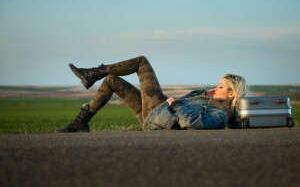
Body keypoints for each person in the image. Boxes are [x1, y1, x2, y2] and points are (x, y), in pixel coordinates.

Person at [55, 56, 248, 132]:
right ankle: (81, 121)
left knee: (141, 62)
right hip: (156, 113)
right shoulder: (208, 98)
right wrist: (204, 93)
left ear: (232, 95)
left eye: (221, 87)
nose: (216, 88)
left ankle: (93, 73)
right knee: (111, 80)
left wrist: (177, 105)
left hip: (159, 112)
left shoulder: (221, 115)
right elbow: (187, 103)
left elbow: (193, 122)